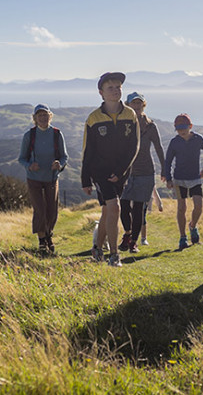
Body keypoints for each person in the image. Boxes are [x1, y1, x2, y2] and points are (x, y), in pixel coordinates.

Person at [82, 72, 140, 267]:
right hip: (100, 171)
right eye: (110, 88)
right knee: (114, 206)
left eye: (118, 87)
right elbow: (87, 150)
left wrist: (121, 171)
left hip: (122, 172)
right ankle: (114, 255)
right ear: (101, 93)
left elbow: (134, 147)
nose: (115, 91)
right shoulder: (93, 118)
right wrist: (85, 179)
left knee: (108, 211)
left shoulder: (130, 114)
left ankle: (97, 249)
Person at [17, 104, 68, 254]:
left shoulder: (57, 134)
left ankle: (48, 236)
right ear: (35, 118)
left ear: (50, 116)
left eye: (45, 115)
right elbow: (21, 159)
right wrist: (29, 166)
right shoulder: (29, 136)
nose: (43, 118)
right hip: (34, 179)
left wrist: (60, 164)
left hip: (52, 178)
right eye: (40, 116)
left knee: (51, 211)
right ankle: (42, 242)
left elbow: (64, 157)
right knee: (40, 210)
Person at [119, 92, 166, 253]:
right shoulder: (124, 124)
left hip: (145, 172)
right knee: (124, 206)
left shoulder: (151, 126)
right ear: (128, 105)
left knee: (138, 208)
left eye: (139, 103)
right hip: (126, 172)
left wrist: (165, 169)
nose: (137, 106)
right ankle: (127, 233)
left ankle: (133, 242)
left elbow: (159, 148)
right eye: (134, 103)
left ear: (143, 105)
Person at [162, 113, 203, 250]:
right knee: (181, 207)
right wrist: (169, 178)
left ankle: (193, 226)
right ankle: (183, 237)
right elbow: (168, 161)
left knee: (199, 206)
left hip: (195, 178)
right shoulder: (175, 142)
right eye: (178, 128)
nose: (181, 131)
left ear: (190, 126)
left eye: (183, 127)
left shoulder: (197, 139)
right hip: (179, 179)